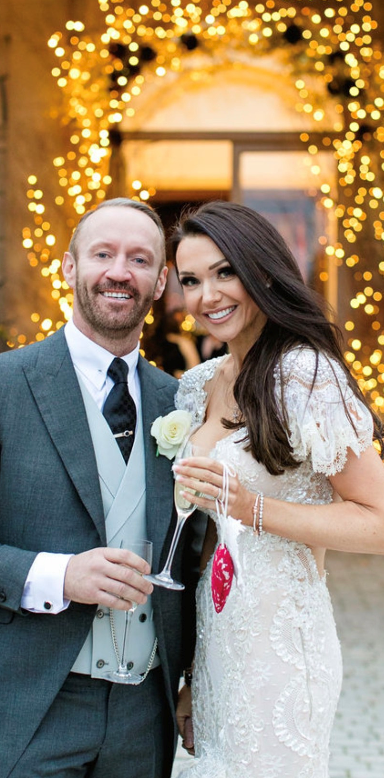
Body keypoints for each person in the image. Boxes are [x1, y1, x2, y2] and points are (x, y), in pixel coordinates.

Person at [170, 200, 384, 777]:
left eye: (224, 272)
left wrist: (254, 508)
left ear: (260, 269)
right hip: (217, 636)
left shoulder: (306, 375)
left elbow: (378, 520)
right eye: (190, 280)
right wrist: (189, 673)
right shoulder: (197, 387)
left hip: (282, 644)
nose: (207, 295)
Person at [0, 197, 200, 778]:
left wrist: (195, 682)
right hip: (31, 705)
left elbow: (196, 557)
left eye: (140, 259)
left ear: (161, 281)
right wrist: (56, 576)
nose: (119, 271)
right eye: (103, 254)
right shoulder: (7, 384)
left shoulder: (181, 402)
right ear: (68, 266)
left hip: (144, 716)